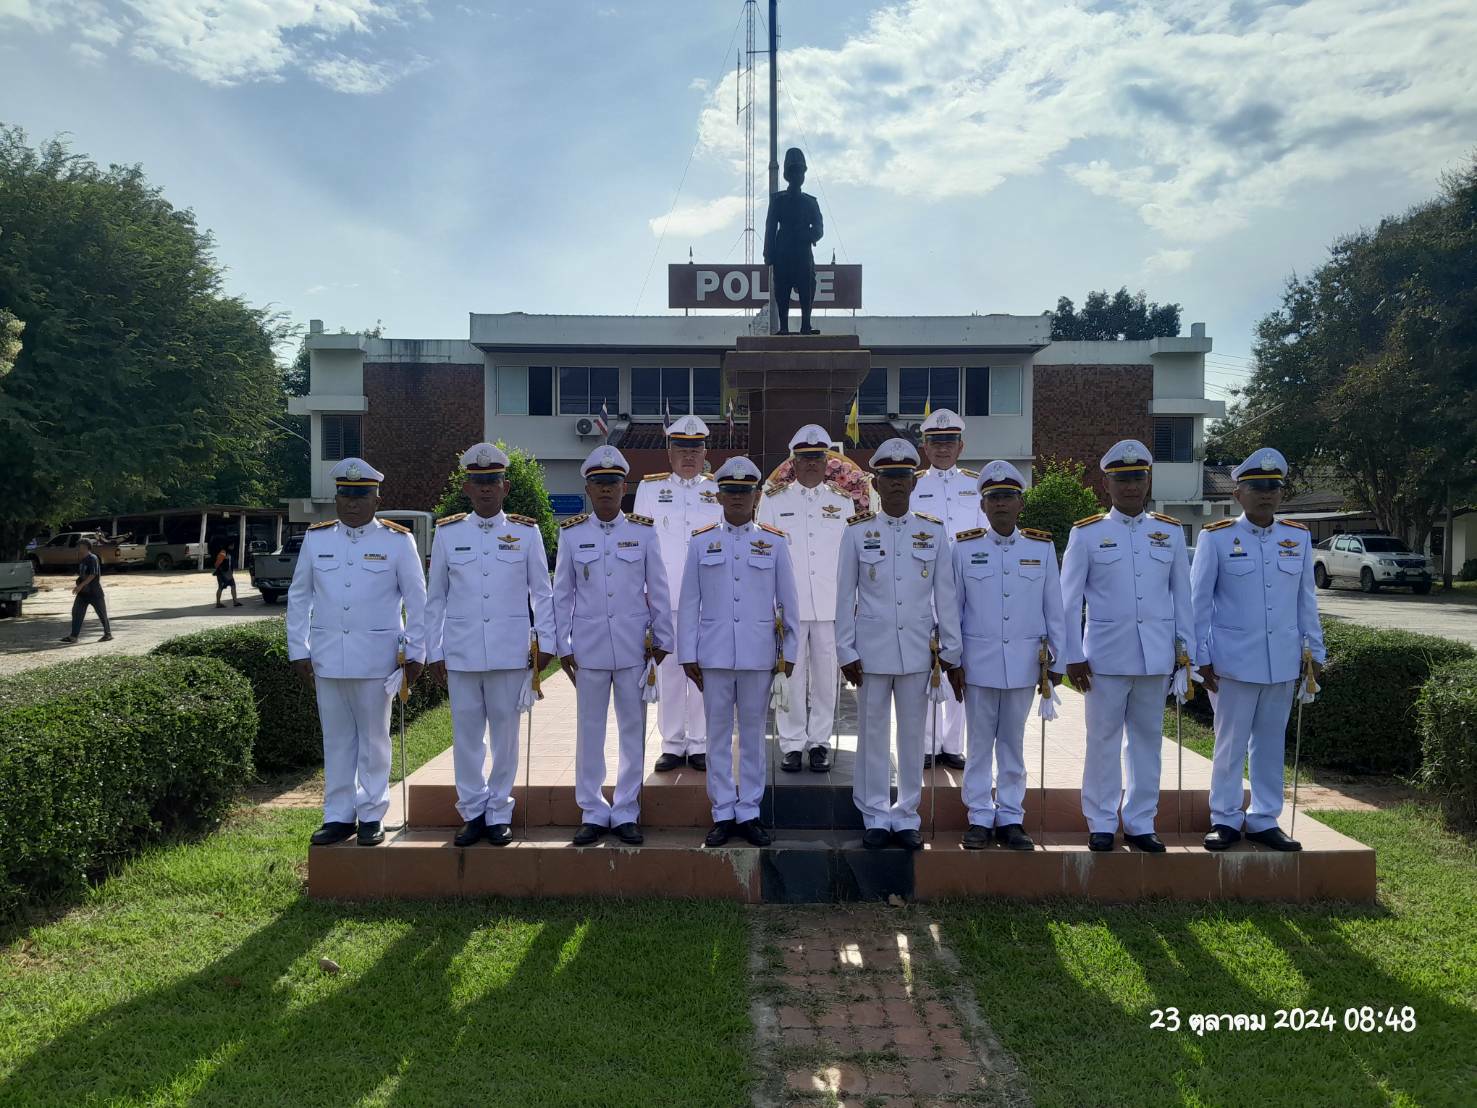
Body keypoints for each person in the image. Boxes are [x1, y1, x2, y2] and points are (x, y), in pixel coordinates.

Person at [1060, 439, 1193, 852]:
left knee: (1147, 743)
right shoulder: (1087, 533)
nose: (1131, 486)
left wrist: (1185, 654)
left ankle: (1140, 822)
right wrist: (1073, 655)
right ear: (1107, 484)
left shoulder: (1170, 533)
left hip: (1155, 657)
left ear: (1148, 480)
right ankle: (1101, 821)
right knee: (1102, 742)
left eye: (1137, 477)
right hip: (1103, 659)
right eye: (1122, 479)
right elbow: (1069, 601)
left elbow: (1183, 598)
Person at [288, 458, 426, 847]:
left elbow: (418, 602)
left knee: (374, 742)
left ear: (376, 500)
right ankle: (337, 815)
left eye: (361, 496)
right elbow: (299, 597)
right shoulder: (317, 539)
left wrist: (416, 652)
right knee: (336, 741)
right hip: (327, 657)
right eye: (345, 495)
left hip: (376, 660)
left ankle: (371, 813)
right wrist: (298, 649)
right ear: (336, 498)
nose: (352, 503)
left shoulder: (397, 541)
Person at [1193, 448, 1326, 852]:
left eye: (1272, 487)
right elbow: (1199, 603)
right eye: (1256, 487)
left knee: (1270, 745)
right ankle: (1225, 818)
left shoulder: (1297, 537)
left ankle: (1265, 818)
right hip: (1232, 663)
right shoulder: (1216, 537)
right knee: (1230, 744)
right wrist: (1200, 658)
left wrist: (1314, 652)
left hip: (1282, 660)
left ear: (1281, 492)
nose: (1266, 494)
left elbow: (1306, 600)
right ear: (1238, 493)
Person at [425, 443, 555, 848]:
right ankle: (473, 812)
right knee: (466, 739)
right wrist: (434, 650)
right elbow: (436, 598)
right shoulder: (448, 533)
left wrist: (546, 643)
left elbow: (542, 593)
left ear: (505, 486)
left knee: (505, 739)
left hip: (509, 652)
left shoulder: (526, 532)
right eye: (479, 482)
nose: (486, 488)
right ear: (467, 487)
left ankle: (499, 811)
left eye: (493, 481)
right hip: (461, 653)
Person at [836, 437, 963, 850]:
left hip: (917, 651)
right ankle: (875, 814)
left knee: (913, 738)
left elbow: (946, 597)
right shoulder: (857, 532)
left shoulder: (933, 532)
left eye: (902, 476)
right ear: (875, 483)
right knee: (872, 735)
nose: (895, 483)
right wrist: (845, 649)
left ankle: (906, 815)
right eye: (888, 476)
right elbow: (844, 596)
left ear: (914, 482)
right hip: (870, 653)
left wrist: (951, 650)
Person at [552, 445, 673, 847]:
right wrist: (562, 644)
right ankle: (591, 810)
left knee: (632, 731)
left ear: (625, 488)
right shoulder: (572, 533)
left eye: (613, 483)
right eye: (598, 484)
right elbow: (562, 594)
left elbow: (658, 589)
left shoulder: (643, 532)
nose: (606, 490)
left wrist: (663, 638)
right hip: (588, 649)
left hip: (634, 647)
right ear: (588, 489)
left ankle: (625, 810)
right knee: (589, 732)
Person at [678, 455, 798, 847]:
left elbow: (788, 603)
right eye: (730, 491)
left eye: (744, 491)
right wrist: (687, 652)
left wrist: (788, 653)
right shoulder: (701, 541)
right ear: (718, 495)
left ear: (757, 495)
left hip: (757, 655)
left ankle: (749, 811)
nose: (737, 498)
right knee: (716, 736)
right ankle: (722, 812)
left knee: (752, 737)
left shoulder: (774, 542)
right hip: (713, 656)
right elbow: (689, 601)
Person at [953, 461, 1067, 850]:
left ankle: (1012, 817)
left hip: (1024, 662)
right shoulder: (964, 548)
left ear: (1021, 504)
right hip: (978, 663)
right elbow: (953, 609)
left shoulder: (1041, 547)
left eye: (1008, 497)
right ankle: (979, 816)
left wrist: (1058, 660)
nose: (1001, 504)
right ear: (982, 506)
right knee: (979, 744)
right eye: (993, 498)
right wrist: (953, 659)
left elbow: (1055, 608)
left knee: (1013, 744)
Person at [756, 424, 852, 772]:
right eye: (804, 457)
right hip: (789, 606)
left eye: (817, 457)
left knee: (826, 679)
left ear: (827, 461)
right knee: (791, 677)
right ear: (793, 462)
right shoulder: (773, 500)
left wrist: (850, 604)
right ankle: (792, 743)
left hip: (829, 604)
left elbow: (849, 557)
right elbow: (763, 554)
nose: (811, 463)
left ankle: (820, 742)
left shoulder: (841, 502)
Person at [632, 414, 722, 773]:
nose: (689, 456)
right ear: (669, 452)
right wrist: (642, 593)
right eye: (682, 449)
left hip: (707, 600)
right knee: (669, 673)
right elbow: (640, 545)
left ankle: (700, 743)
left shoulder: (718, 490)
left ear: (705, 453)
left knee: (703, 671)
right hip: (664, 598)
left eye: (695, 449)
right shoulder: (650, 490)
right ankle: (672, 743)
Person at [911, 408, 983, 770]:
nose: (942, 448)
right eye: (936, 442)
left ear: (961, 446)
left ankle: (953, 743)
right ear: (925, 447)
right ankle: (927, 743)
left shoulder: (977, 485)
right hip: (923, 587)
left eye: (949, 442)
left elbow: (984, 536)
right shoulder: (913, 485)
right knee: (925, 665)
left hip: (966, 589)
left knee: (959, 664)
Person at [763, 146, 824, 335]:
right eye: (793, 171)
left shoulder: (810, 202)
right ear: (787, 175)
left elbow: (819, 229)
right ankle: (784, 327)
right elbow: (770, 227)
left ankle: (806, 324)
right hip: (782, 252)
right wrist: (768, 254)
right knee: (782, 289)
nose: (797, 175)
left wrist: (808, 235)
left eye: (800, 171)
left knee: (807, 286)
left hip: (803, 253)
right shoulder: (778, 200)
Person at [60, 538, 112, 644]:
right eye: (79, 546)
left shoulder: (92, 558)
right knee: (76, 612)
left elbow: (93, 574)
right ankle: (73, 636)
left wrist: (80, 586)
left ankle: (108, 634)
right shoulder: (82, 560)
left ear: (86, 547)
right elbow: (83, 574)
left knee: (102, 613)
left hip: (94, 592)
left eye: (80, 546)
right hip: (83, 593)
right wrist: (79, 583)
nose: (79, 548)